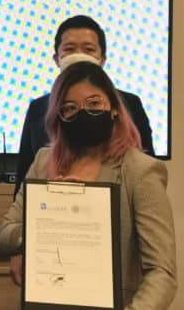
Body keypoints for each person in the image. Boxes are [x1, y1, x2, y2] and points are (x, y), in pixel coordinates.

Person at [0, 61, 176, 310]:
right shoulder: (44, 162)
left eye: (94, 103)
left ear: (114, 109)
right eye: (70, 108)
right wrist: (46, 220)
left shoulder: (140, 171)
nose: (83, 113)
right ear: (58, 117)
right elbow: (4, 236)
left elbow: (162, 272)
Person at [15, 15, 155, 197]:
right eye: (70, 49)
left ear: (102, 59)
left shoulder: (130, 104)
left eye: (88, 49)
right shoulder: (38, 108)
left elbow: (147, 169)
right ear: (57, 58)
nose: (79, 56)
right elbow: (24, 173)